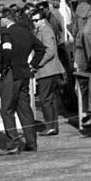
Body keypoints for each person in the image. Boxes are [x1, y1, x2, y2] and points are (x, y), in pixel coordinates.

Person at [0, 7, 46, 155]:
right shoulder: (26, 32)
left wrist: (2, 68)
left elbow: (7, 52)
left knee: (7, 109)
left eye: (0, 19)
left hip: (11, 73)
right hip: (24, 73)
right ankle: (31, 142)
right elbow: (41, 48)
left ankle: (13, 143)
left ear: (6, 18)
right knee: (24, 109)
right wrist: (33, 65)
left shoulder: (7, 33)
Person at [31, 8, 65, 136]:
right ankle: (52, 126)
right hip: (50, 70)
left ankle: (50, 126)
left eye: (36, 20)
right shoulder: (42, 30)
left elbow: (50, 51)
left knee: (45, 99)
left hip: (47, 71)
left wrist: (37, 63)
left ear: (42, 20)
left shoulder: (45, 31)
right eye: (33, 20)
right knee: (50, 99)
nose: (34, 23)